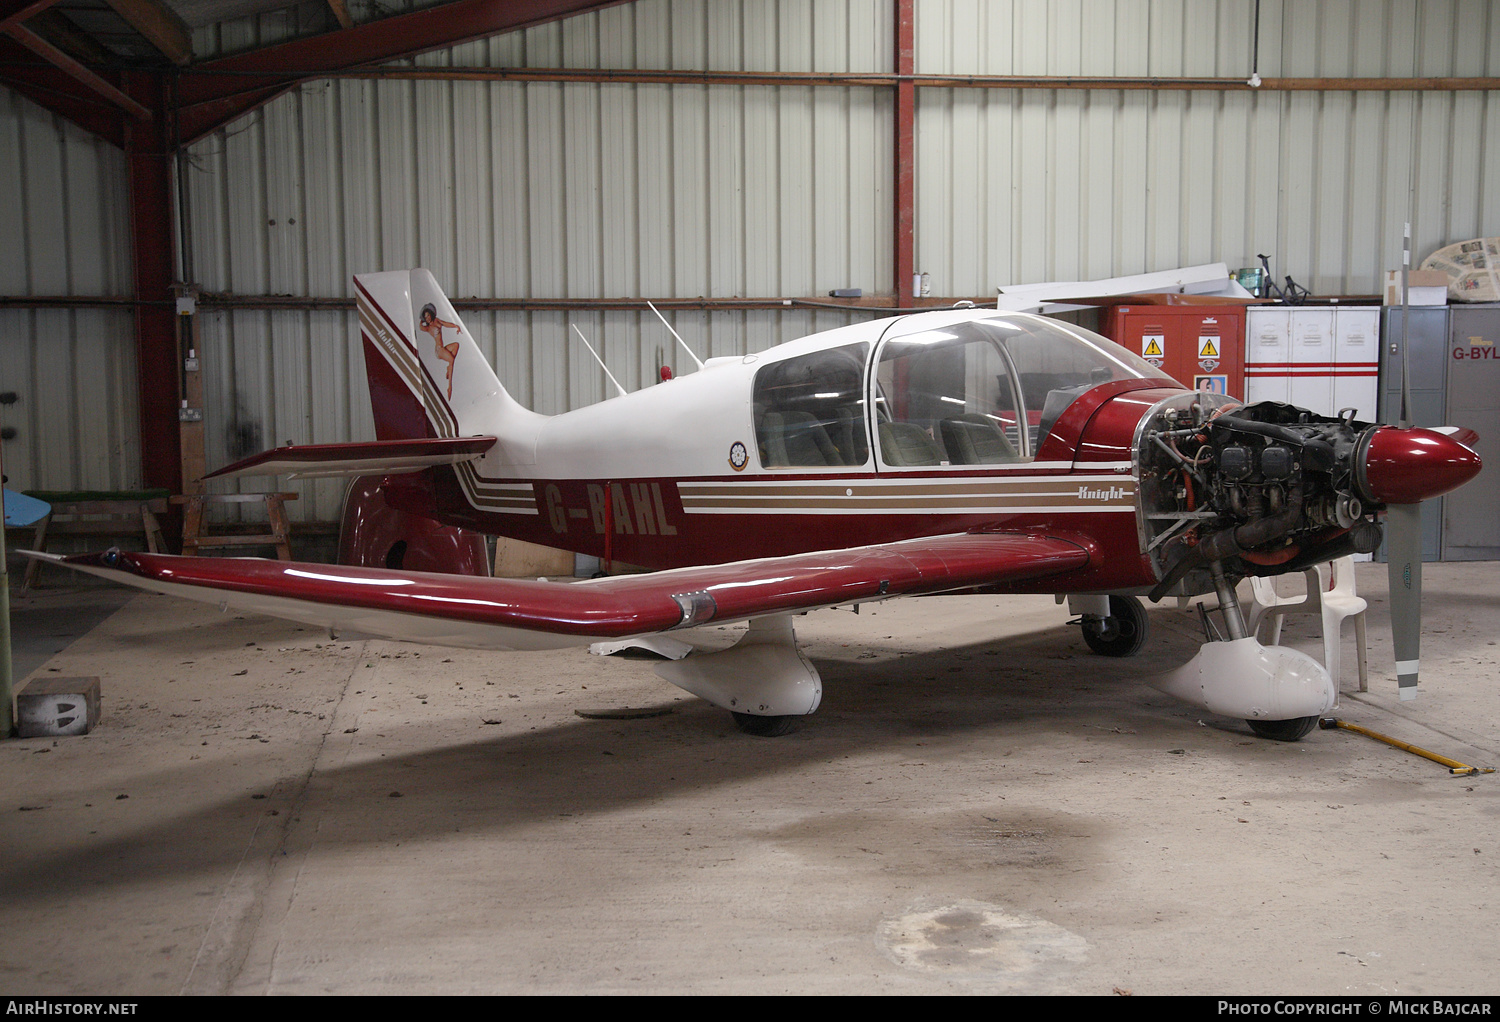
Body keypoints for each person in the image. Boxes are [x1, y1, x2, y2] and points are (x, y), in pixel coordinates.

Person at [418, 303, 461, 399]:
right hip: (439, 350)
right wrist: (421, 321)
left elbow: (445, 324)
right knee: (451, 360)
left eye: (428, 315)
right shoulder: (428, 327)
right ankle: (449, 387)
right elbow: (421, 327)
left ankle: (448, 369)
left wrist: (455, 326)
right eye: (426, 317)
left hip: (442, 348)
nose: (428, 318)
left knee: (456, 345)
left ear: (431, 314)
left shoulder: (437, 321)